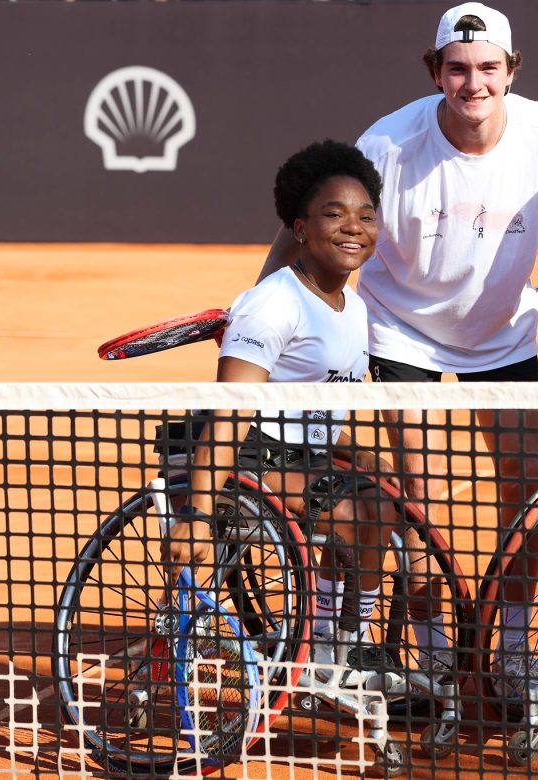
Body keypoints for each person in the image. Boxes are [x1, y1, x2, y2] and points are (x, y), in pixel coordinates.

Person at [257, 2, 538, 695]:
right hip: (402, 334)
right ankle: (432, 661)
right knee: (419, 507)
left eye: (488, 68)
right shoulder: (388, 146)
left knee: (529, 502)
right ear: (435, 71)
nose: (473, 83)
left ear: (512, 71)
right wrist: (262, 302)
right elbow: (305, 222)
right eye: (457, 69)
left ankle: (512, 655)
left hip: (503, 336)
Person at [168, 139, 396, 683]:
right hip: (249, 461)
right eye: (333, 215)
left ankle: (337, 638)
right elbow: (230, 413)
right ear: (299, 228)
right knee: (352, 513)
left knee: (386, 490)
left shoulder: (355, 307)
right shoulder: (273, 303)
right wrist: (197, 517)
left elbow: (324, 405)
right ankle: (337, 641)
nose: (353, 228)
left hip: (304, 455)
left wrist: (366, 458)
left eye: (366, 216)